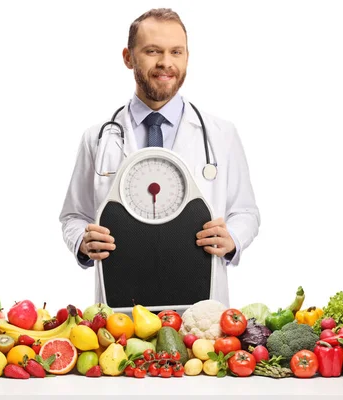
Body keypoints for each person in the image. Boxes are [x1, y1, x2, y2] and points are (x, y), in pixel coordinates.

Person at [59, 8, 260, 308]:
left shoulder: (222, 134)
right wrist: (82, 242)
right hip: (121, 312)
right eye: (153, 51)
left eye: (176, 52)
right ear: (128, 57)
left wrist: (232, 237)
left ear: (187, 57)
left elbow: (247, 212)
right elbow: (73, 216)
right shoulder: (99, 137)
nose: (166, 62)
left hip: (202, 317)